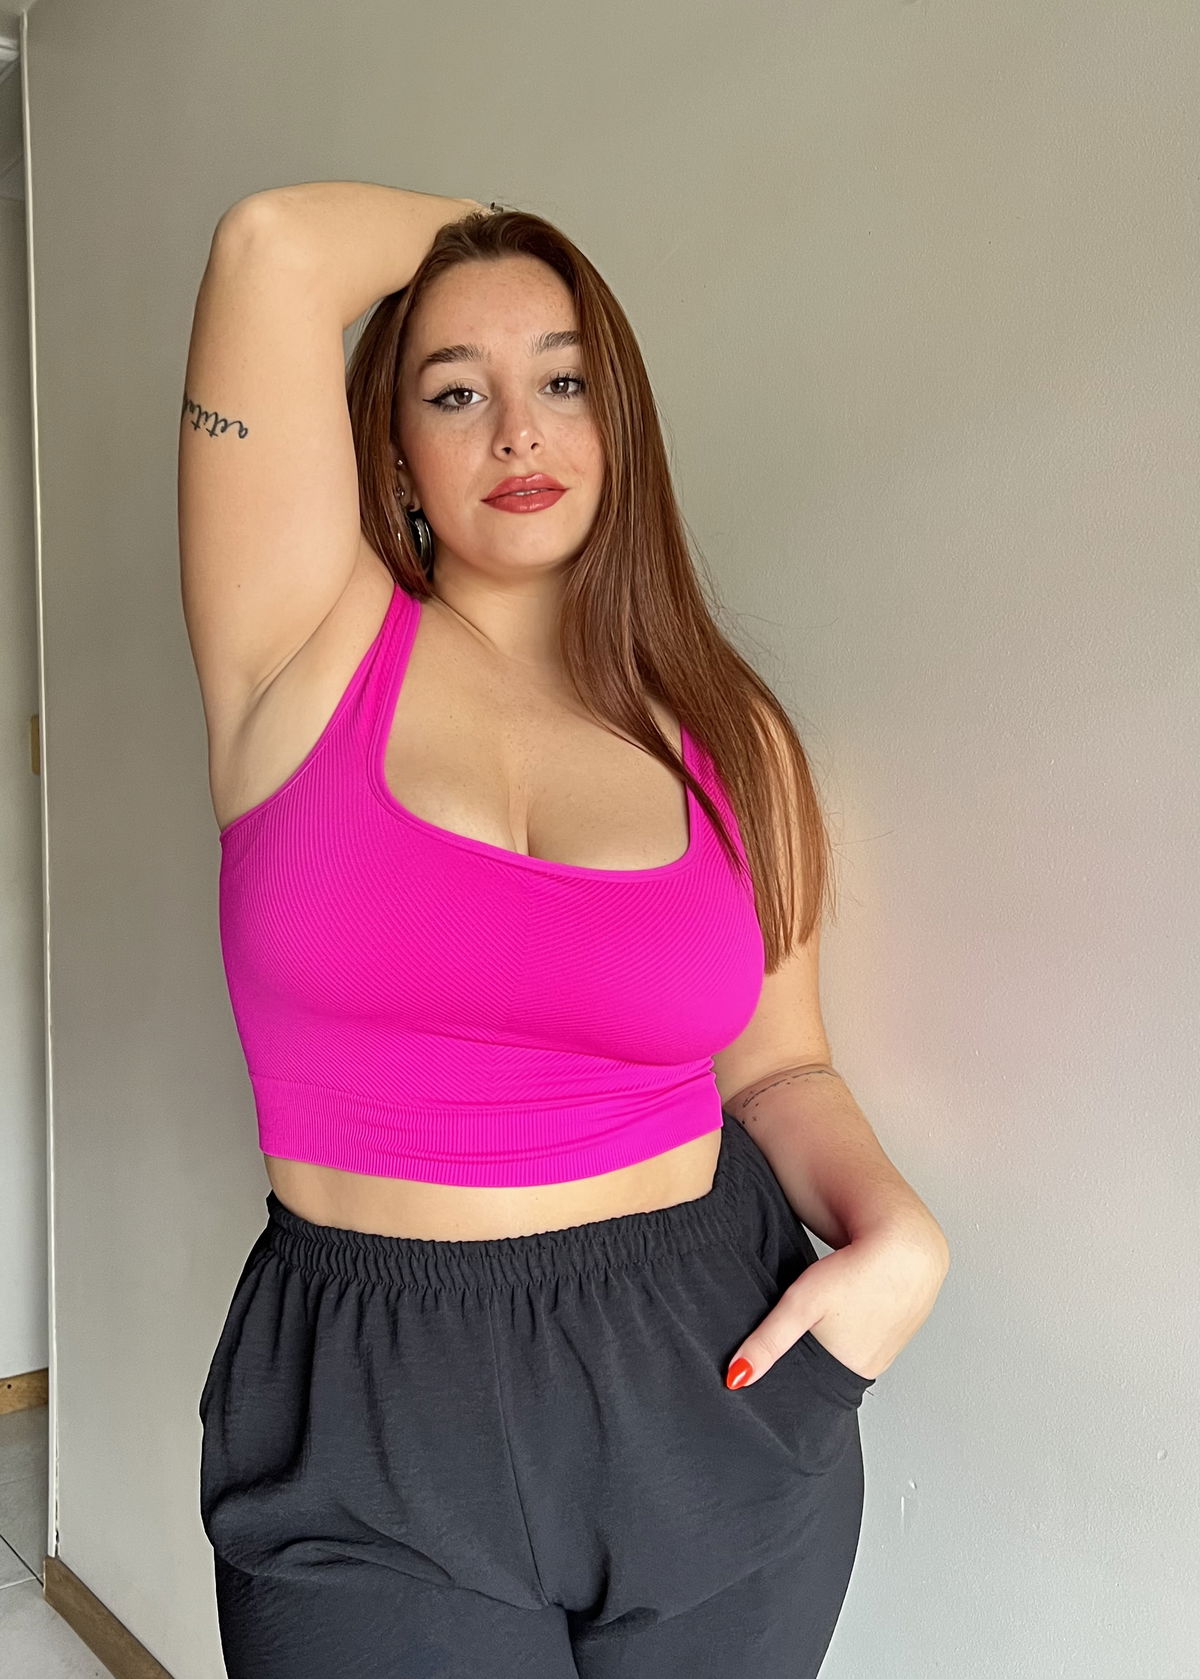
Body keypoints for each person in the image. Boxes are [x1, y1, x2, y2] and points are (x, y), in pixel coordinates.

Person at [178, 181, 950, 1679]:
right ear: (391, 450)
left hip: (711, 1362)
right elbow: (273, 246)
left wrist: (897, 1232)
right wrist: (510, 232)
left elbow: (778, 1068)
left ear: (620, 424)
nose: (519, 433)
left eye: (566, 380)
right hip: (376, 1398)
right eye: (456, 392)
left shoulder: (733, 736)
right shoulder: (298, 650)